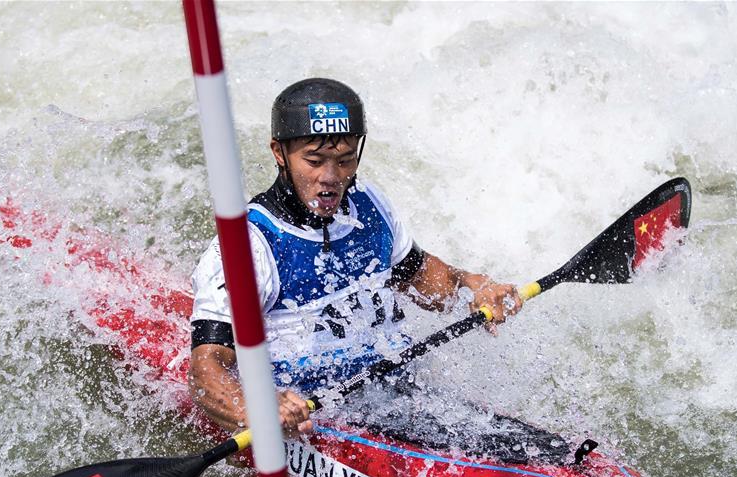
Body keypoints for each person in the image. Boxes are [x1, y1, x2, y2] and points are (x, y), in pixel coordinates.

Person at [189, 78, 522, 435]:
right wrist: (256, 408)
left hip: (400, 397)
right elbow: (206, 370)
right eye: (314, 161)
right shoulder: (248, 245)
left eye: (345, 160)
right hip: (315, 416)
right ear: (278, 152)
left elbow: (425, 280)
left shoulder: (368, 205)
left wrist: (474, 285)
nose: (331, 178)